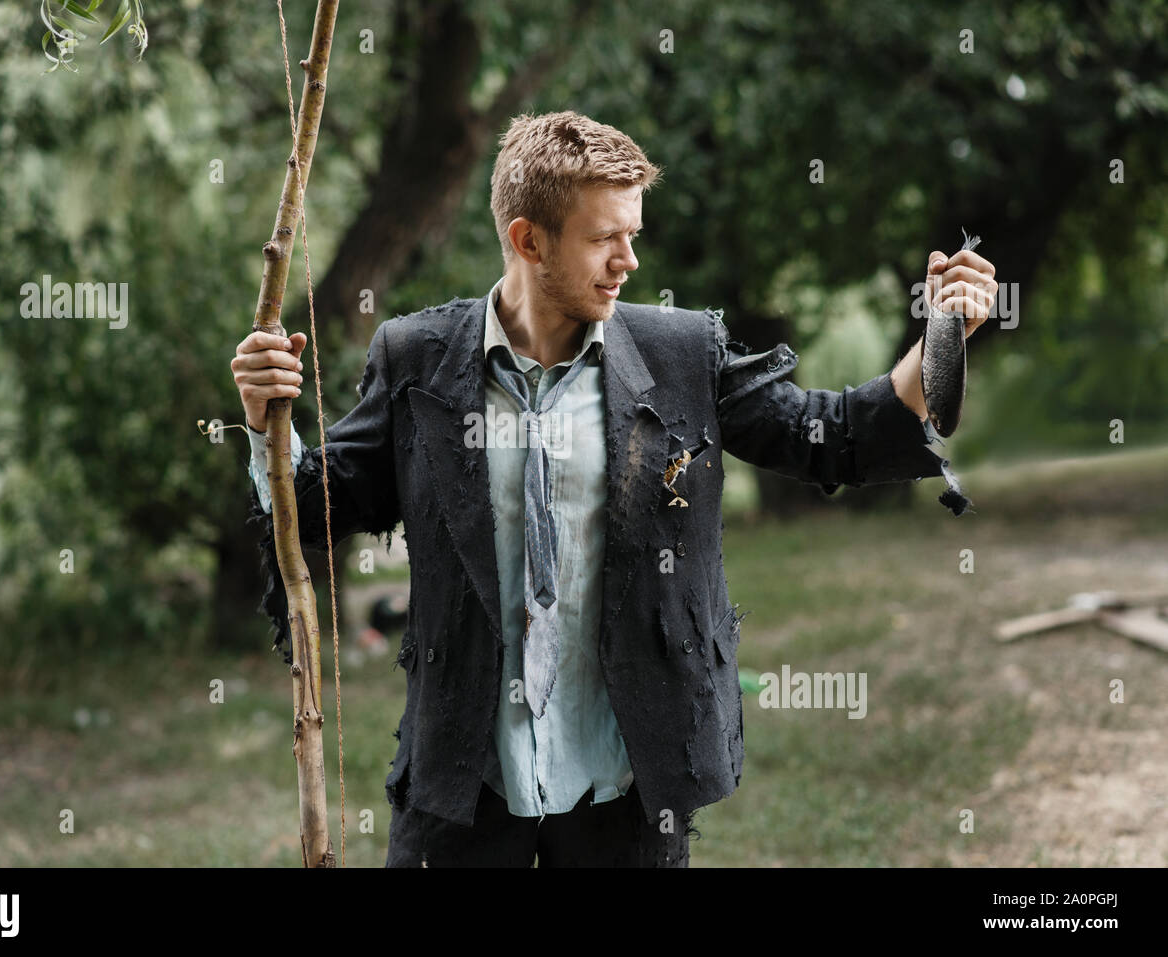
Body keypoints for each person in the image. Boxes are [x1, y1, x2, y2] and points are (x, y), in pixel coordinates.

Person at [229, 111, 998, 867]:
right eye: (605, 237)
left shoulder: (681, 353)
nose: (628, 259)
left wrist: (939, 340)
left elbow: (831, 437)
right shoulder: (416, 357)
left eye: (633, 232)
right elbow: (325, 502)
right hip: (463, 782)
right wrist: (268, 423)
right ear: (527, 239)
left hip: (627, 784)